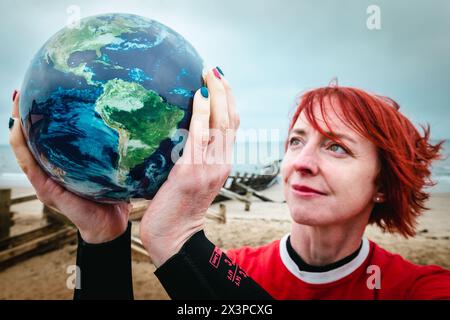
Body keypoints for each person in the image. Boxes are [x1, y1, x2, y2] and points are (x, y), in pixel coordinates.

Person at [9, 68, 450, 300]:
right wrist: (101, 239)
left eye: (336, 147)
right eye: (296, 141)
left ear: (382, 183)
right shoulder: (229, 272)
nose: (301, 163)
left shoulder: (421, 288)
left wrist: (180, 239)